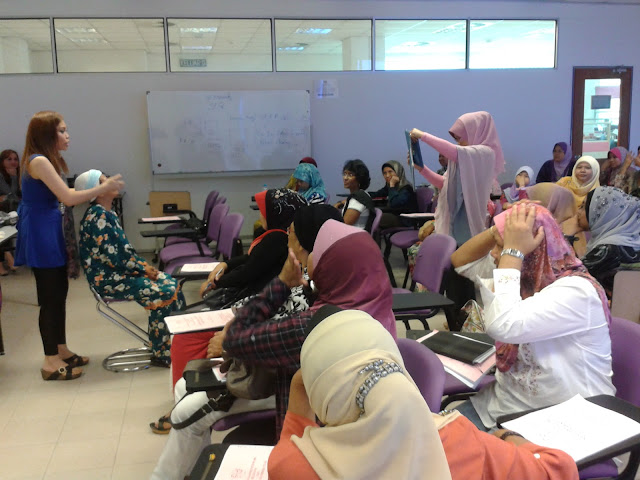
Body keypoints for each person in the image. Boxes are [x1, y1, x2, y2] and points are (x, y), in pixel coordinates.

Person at [150, 220, 396, 480]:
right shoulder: (375, 307)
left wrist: (282, 282)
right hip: (352, 437)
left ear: (330, 265)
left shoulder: (317, 324)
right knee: (188, 395)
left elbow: (235, 338)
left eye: (319, 253)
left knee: (187, 412)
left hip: (310, 434)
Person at [268, 308, 579, 480]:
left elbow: (287, 447)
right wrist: (508, 437)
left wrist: (299, 389)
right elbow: (560, 468)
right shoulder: (460, 440)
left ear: (321, 395)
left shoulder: (294, 466)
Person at [149, 204, 342, 435]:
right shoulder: (301, 269)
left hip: (272, 380)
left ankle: (177, 442)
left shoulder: (311, 281)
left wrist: (229, 342)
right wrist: (237, 322)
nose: (286, 235)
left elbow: (279, 333)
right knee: (184, 385)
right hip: (261, 360)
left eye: (290, 231)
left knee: (187, 409)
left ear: (301, 241)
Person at [450, 204, 615, 430]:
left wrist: (512, 251)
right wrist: (500, 228)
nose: (495, 254)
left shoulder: (578, 292)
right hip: (504, 407)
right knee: (426, 437)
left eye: (502, 247)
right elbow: (461, 261)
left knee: (439, 445)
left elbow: (503, 325)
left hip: (561, 423)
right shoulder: (526, 276)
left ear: (534, 248)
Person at [14, 111, 124, 380]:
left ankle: (60, 349)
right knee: (50, 296)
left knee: (59, 292)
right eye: (62, 131)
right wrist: (103, 188)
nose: (67, 135)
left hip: (48, 227)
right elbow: (69, 198)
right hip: (41, 232)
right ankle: (49, 361)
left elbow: (68, 195)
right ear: (47, 134)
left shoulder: (45, 160)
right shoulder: (38, 161)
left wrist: (99, 188)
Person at [76, 169, 185, 366]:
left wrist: (144, 267)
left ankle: (179, 342)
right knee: (164, 291)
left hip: (120, 273)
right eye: (104, 180)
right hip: (110, 280)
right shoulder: (98, 217)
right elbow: (117, 258)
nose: (110, 181)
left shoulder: (107, 213)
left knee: (171, 283)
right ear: (97, 191)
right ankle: (163, 352)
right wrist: (144, 269)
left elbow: (123, 253)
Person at [409, 111, 505, 245]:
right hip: (454, 218)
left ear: (474, 132)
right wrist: (422, 169)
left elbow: (454, 152)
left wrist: (423, 136)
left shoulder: (486, 153)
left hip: (469, 220)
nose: (459, 143)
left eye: (461, 138)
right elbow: (444, 184)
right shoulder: (465, 158)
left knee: (463, 253)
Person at [200, 188, 307, 301]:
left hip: (261, 297)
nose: (261, 216)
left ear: (277, 213)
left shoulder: (277, 238)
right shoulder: (278, 234)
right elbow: (251, 258)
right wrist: (225, 264)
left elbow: (247, 273)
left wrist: (214, 283)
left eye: (264, 211)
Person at [568, 186, 640, 298]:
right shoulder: (631, 242)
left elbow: (568, 279)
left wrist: (567, 236)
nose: (578, 212)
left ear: (602, 214)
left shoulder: (608, 250)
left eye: (583, 207)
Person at [557, 155, 601, 256]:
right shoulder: (564, 183)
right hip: (561, 223)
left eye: (587, 168)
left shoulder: (598, 192)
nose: (582, 170)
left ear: (595, 171)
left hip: (586, 228)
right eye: (579, 167)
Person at [369, 160, 418, 229]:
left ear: (398, 171)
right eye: (384, 173)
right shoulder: (390, 186)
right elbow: (378, 194)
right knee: (372, 214)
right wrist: (362, 194)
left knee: (376, 218)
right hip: (396, 215)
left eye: (390, 172)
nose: (387, 175)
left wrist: (392, 186)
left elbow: (394, 204)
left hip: (405, 220)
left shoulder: (406, 188)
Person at [334, 159, 375, 231]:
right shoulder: (361, 194)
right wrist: (340, 203)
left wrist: (333, 210)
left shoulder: (357, 200)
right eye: (345, 174)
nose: (345, 178)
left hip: (354, 236)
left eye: (350, 175)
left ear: (360, 178)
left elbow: (343, 225)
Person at [0, 149, 21, 275]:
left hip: (11, 210)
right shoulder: (1, 175)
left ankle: (8, 256)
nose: (13, 162)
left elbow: (15, 196)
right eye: (9, 159)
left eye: (15, 159)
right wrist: (13, 177)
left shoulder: (20, 175)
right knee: (3, 225)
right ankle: (7, 256)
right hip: (3, 211)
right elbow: (10, 193)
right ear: (2, 161)